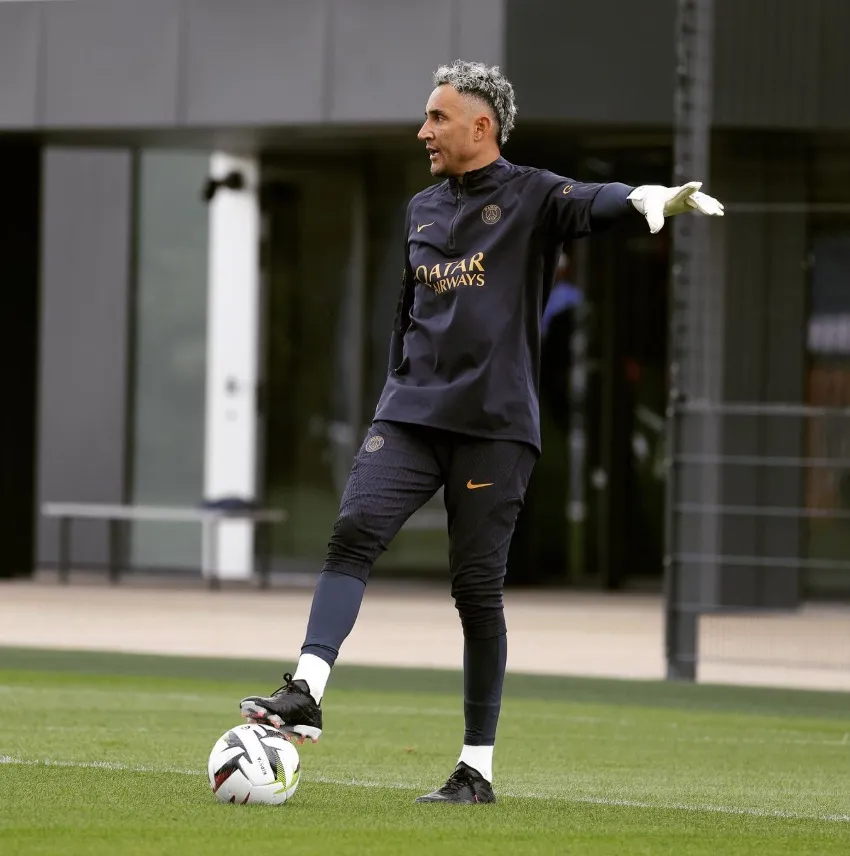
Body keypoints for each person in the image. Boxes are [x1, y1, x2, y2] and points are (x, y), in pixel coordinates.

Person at [239, 59, 724, 804]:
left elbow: (594, 201)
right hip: (409, 412)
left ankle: (476, 770)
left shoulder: (532, 195)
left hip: (494, 427)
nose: (422, 130)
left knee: (476, 591)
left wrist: (650, 197)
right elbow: (409, 312)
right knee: (353, 531)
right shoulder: (419, 209)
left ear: (480, 125)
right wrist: (399, 379)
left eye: (436, 117)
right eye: (426, 117)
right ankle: (305, 688)